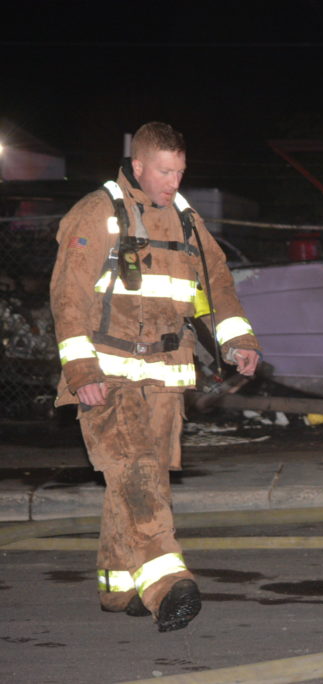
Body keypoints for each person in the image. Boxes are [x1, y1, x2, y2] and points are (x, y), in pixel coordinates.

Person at [50, 122, 260, 632]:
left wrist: (237, 340)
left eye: (180, 172)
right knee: (138, 472)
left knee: (138, 479)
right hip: (107, 375)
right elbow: (68, 297)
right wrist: (81, 370)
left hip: (166, 376)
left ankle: (118, 586)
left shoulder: (187, 220)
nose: (174, 182)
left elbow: (215, 286)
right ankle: (169, 586)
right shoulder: (97, 212)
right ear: (138, 165)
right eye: (165, 172)